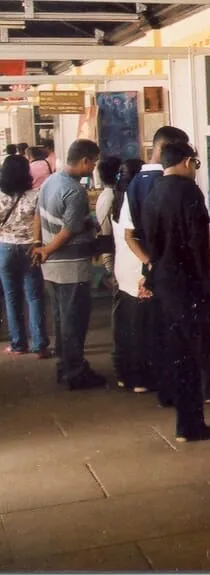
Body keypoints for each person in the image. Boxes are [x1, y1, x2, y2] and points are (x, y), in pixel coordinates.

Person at [142, 142, 210, 442]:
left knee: (179, 354)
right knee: (202, 353)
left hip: (165, 281)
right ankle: (203, 421)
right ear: (188, 162)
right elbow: (199, 243)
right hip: (190, 284)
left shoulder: (154, 192)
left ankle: (186, 422)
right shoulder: (188, 193)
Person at [118, 125, 190, 407]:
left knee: (157, 332)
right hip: (177, 273)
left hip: (154, 271)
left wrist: (149, 264)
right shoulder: (178, 186)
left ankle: (163, 389)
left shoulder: (135, 183)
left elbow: (128, 233)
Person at [34, 138, 104, 390]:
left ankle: (65, 366)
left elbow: (38, 215)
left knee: (62, 317)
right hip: (70, 265)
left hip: (51, 266)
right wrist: (46, 249)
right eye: (94, 161)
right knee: (74, 319)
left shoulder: (50, 181)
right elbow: (69, 231)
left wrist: (39, 245)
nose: (94, 166)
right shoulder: (75, 191)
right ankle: (75, 371)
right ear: (85, 160)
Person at [111, 158, 153, 393]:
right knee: (141, 329)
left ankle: (125, 374)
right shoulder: (136, 201)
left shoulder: (115, 201)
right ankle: (140, 378)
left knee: (126, 325)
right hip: (138, 269)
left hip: (122, 269)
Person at [0, 154, 48, 358]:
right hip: (30, 248)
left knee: (12, 298)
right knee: (34, 296)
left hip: (5, 248)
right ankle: (40, 345)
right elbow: (39, 222)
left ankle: (18, 344)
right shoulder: (36, 195)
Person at [95, 156, 122, 280]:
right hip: (114, 263)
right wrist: (112, 272)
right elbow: (106, 236)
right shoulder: (110, 198)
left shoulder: (107, 195)